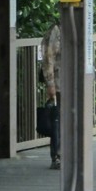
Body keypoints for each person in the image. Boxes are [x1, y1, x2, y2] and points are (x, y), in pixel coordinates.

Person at [40, 24, 61, 169]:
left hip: (75, 83)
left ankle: (70, 153)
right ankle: (57, 156)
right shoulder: (56, 30)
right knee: (58, 120)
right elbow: (48, 58)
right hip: (60, 83)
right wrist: (50, 83)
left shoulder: (80, 26)